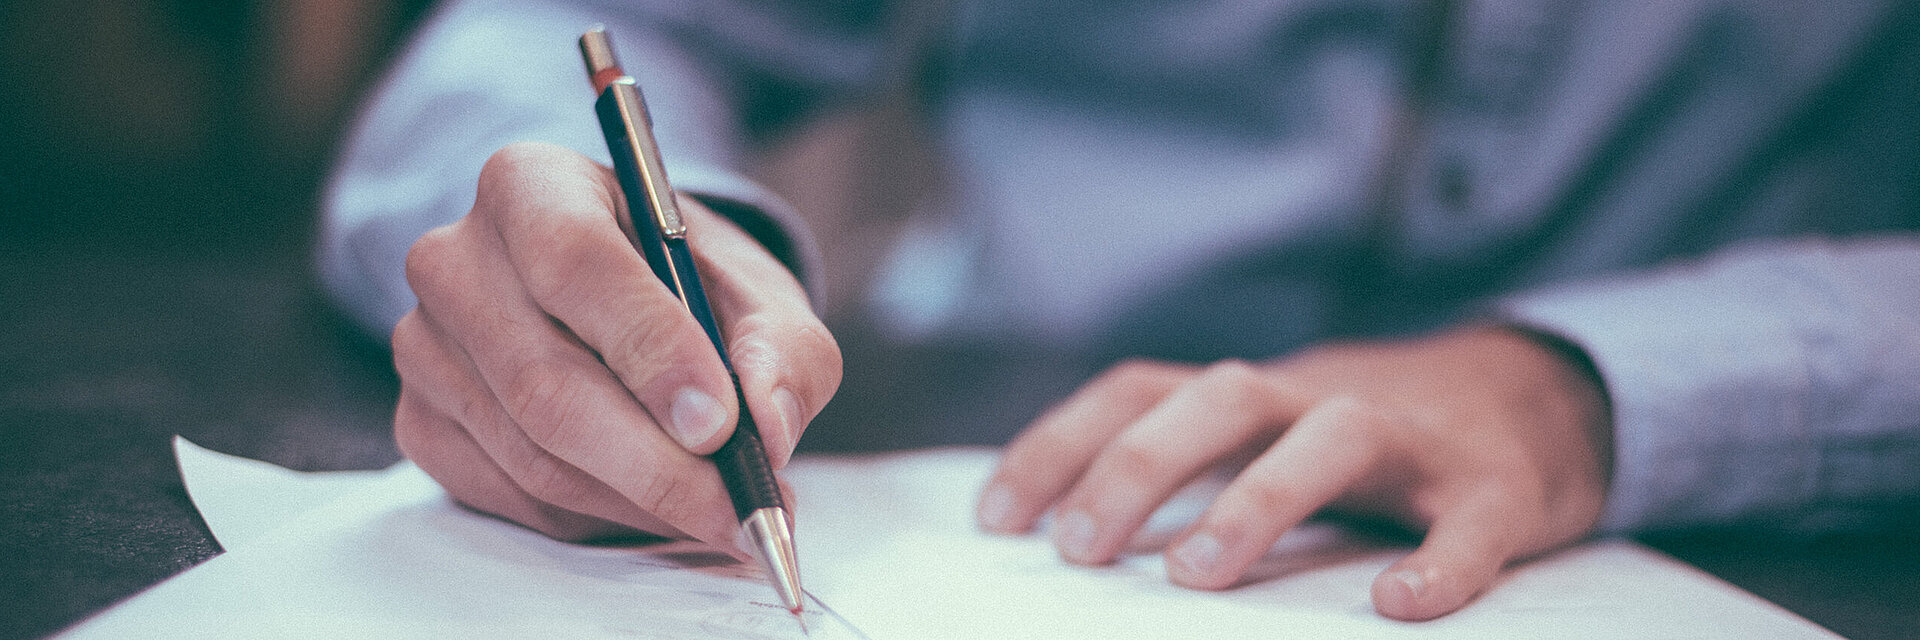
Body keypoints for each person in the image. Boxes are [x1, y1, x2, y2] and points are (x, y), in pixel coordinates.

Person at [319, 0, 1920, 622]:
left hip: (1744, 515)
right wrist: (626, 256)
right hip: (991, 455)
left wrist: (1589, 383)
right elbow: (577, 28)